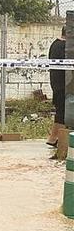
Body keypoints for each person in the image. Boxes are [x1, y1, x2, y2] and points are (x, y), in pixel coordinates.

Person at [48, 27, 66, 158]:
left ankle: (54, 138)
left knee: (60, 111)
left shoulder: (55, 44)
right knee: (62, 111)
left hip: (57, 84)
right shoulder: (62, 46)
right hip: (62, 85)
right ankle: (54, 138)